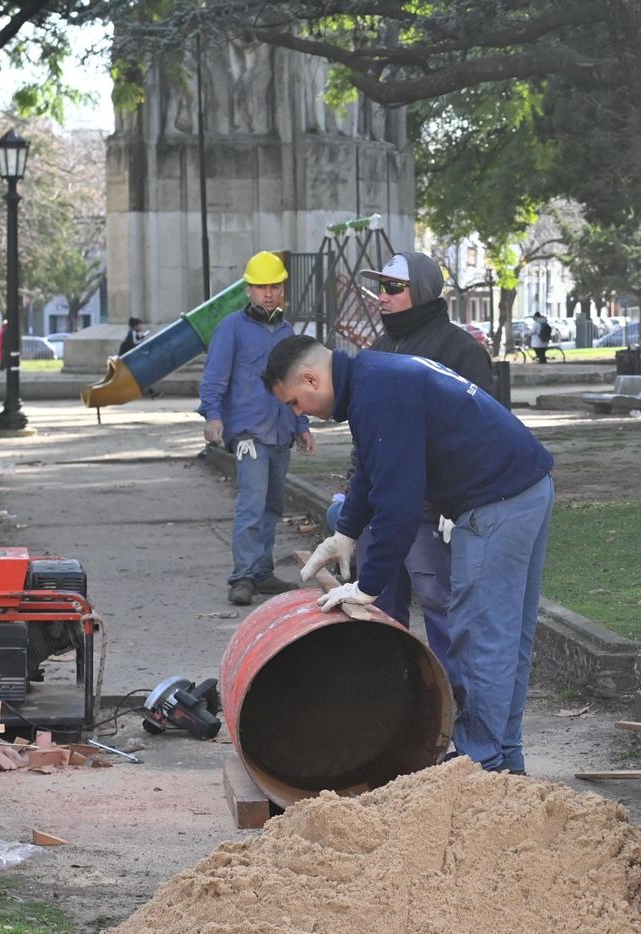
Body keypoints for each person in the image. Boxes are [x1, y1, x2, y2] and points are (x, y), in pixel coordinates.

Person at [268, 335, 553, 775]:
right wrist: (346, 531)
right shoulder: (373, 376)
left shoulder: (377, 392)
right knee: (506, 636)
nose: (298, 413)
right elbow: (371, 469)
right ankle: (504, 759)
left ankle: (481, 765)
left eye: (293, 402)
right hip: (526, 488)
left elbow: (398, 503)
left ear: (310, 379)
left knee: (479, 638)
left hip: (496, 503)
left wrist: (368, 586)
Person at [353, 251, 495, 682]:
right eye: (380, 287)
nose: (382, 296)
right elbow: (366, 434)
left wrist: (459, 503)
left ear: (423, 290)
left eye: (393, 287)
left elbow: (483, 433)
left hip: (432, 513)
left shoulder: (460, 351)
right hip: (381, 512)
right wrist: (354, 500)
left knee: (441, 607)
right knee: (377, 611)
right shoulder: (378, 351)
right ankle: (392, 699)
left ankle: (457, 701)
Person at [198, 251, 314, 606]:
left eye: (274, 286)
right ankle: (243, 576)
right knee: (252, 502)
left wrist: (302, 425)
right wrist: (213, 416)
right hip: (249, 433)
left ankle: (262, 571)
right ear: (248, 290)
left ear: (282, 290)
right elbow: (215, 376)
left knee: (272, 504)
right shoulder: (231, 328)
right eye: (261, 287)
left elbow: (296, 384)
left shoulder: (287, 332)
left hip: (280, 431)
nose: (268, 293)